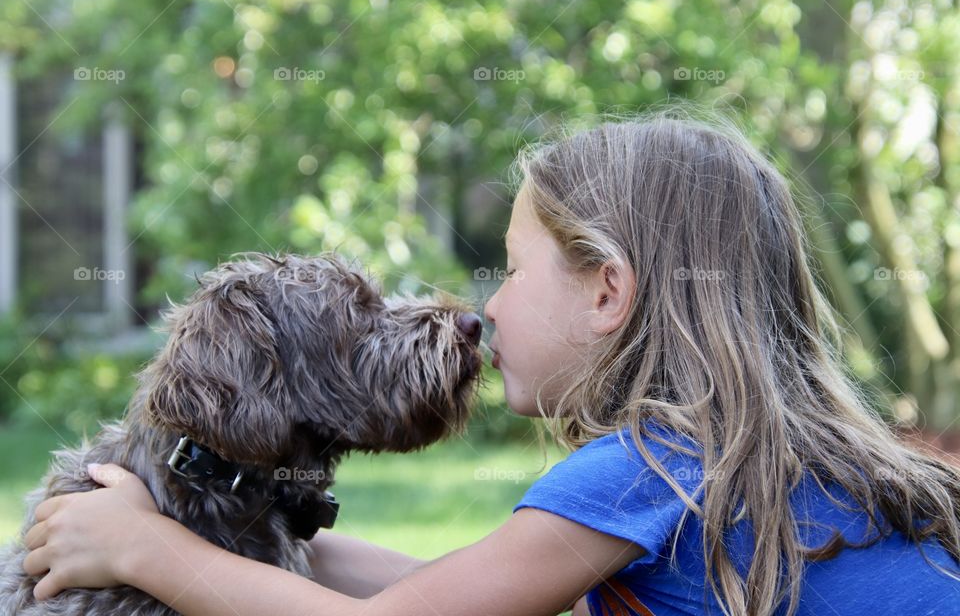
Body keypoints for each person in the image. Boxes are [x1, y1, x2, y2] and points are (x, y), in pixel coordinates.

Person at [21, 108, 960, 616]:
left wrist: (149, 549)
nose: (486, 309)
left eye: (508, 271)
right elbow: (441, 592)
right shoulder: (728, 459)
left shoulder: (647, 471)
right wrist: (246, 530)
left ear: (608, 293)